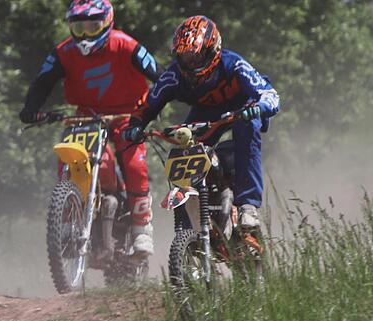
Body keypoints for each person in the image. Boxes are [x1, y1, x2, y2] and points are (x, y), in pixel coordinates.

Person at [19, 0, 161, 257]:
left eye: (93, 26)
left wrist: (156, 104)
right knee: (68, 158)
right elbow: (42, 82)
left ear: (107, 22)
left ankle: (142, 228)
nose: (85, 34)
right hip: (86, 116)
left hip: (127, 114)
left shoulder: (126, 45)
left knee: (133, 164)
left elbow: (160, 75)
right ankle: (67, 221)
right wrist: (31, 108)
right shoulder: (63, 52)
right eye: (79, 27)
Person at [123, 15, 280, 230]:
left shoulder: (234, 64)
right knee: (182, 146)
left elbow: (269, 94)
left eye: (195, 57)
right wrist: (135, 125)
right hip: (207, 112)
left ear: (212, 50)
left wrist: (259, 108)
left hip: (243, 108)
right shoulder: (175, 76)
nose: (190, 64)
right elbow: (149, 103)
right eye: (184, 58)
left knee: (247, 126)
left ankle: (248, 205)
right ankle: (188, 225)